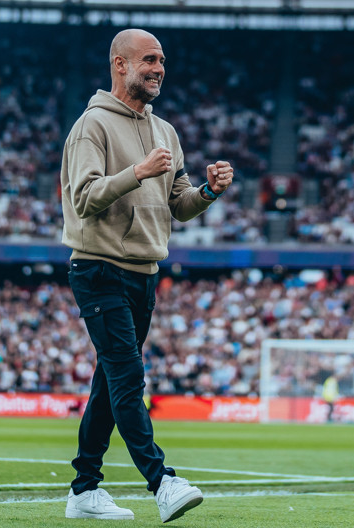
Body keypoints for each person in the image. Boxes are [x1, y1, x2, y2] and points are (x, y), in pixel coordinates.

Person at [60, 28, 233, 522]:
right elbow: (84, 197)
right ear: (120, 64)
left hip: (143, 271)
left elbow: (179, 206)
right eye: (149, 60)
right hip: (98, 267)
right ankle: (162, 481)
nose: (159, 69)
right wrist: (136, 172)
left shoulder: (166, 132)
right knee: (128, 376)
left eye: (162, 61)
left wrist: (208, 190)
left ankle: (84, 489)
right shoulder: (92, 125)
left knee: (109, 380)